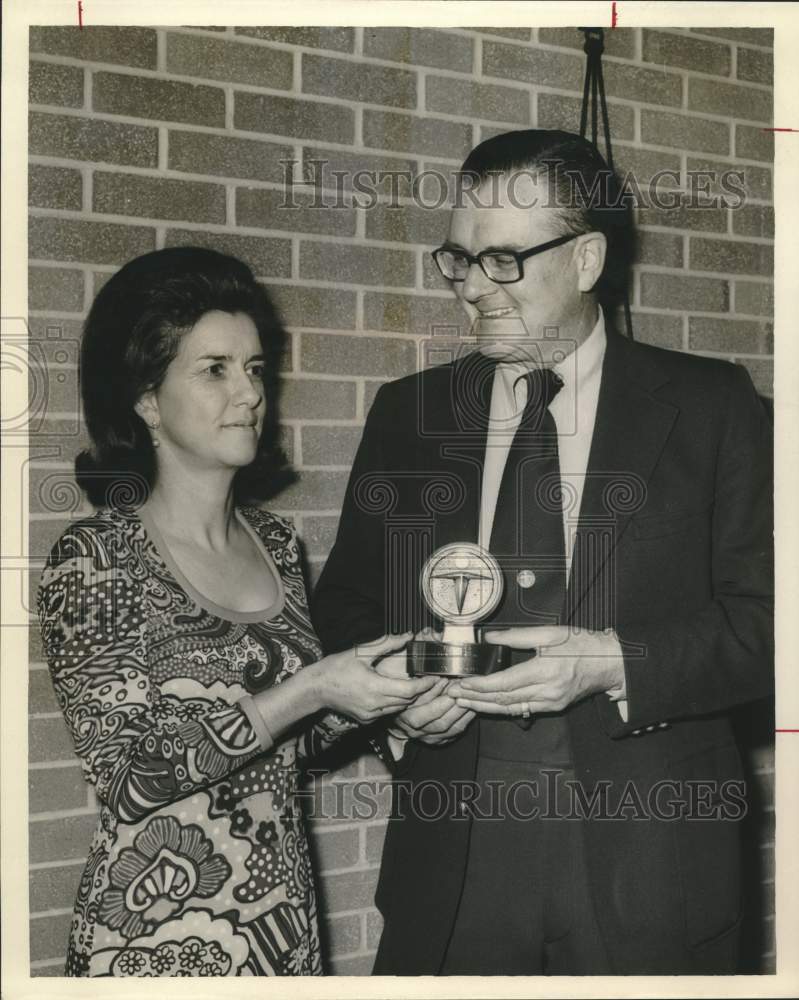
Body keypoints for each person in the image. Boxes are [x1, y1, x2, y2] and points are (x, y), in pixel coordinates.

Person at [311, 130, 774, 975]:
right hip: (453, 864)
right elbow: (346, 602)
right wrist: (393, 705)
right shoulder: (406, 413)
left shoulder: (715, 408)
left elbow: (767, 624)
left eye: (503, 262)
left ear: (587, 258)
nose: (473, 290)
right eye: (459, 260)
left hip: (651, 867)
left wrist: (609, 662)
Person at [37, 246, 433, 977]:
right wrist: (313, 687)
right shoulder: (97, 557)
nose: (248, 393)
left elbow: (288, 743)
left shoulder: (275, 542)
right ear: (147, 399)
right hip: (153, 941)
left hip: (278, 926)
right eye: (213, 369)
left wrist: (381, 699)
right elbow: (127, 778)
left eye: (253, 369)